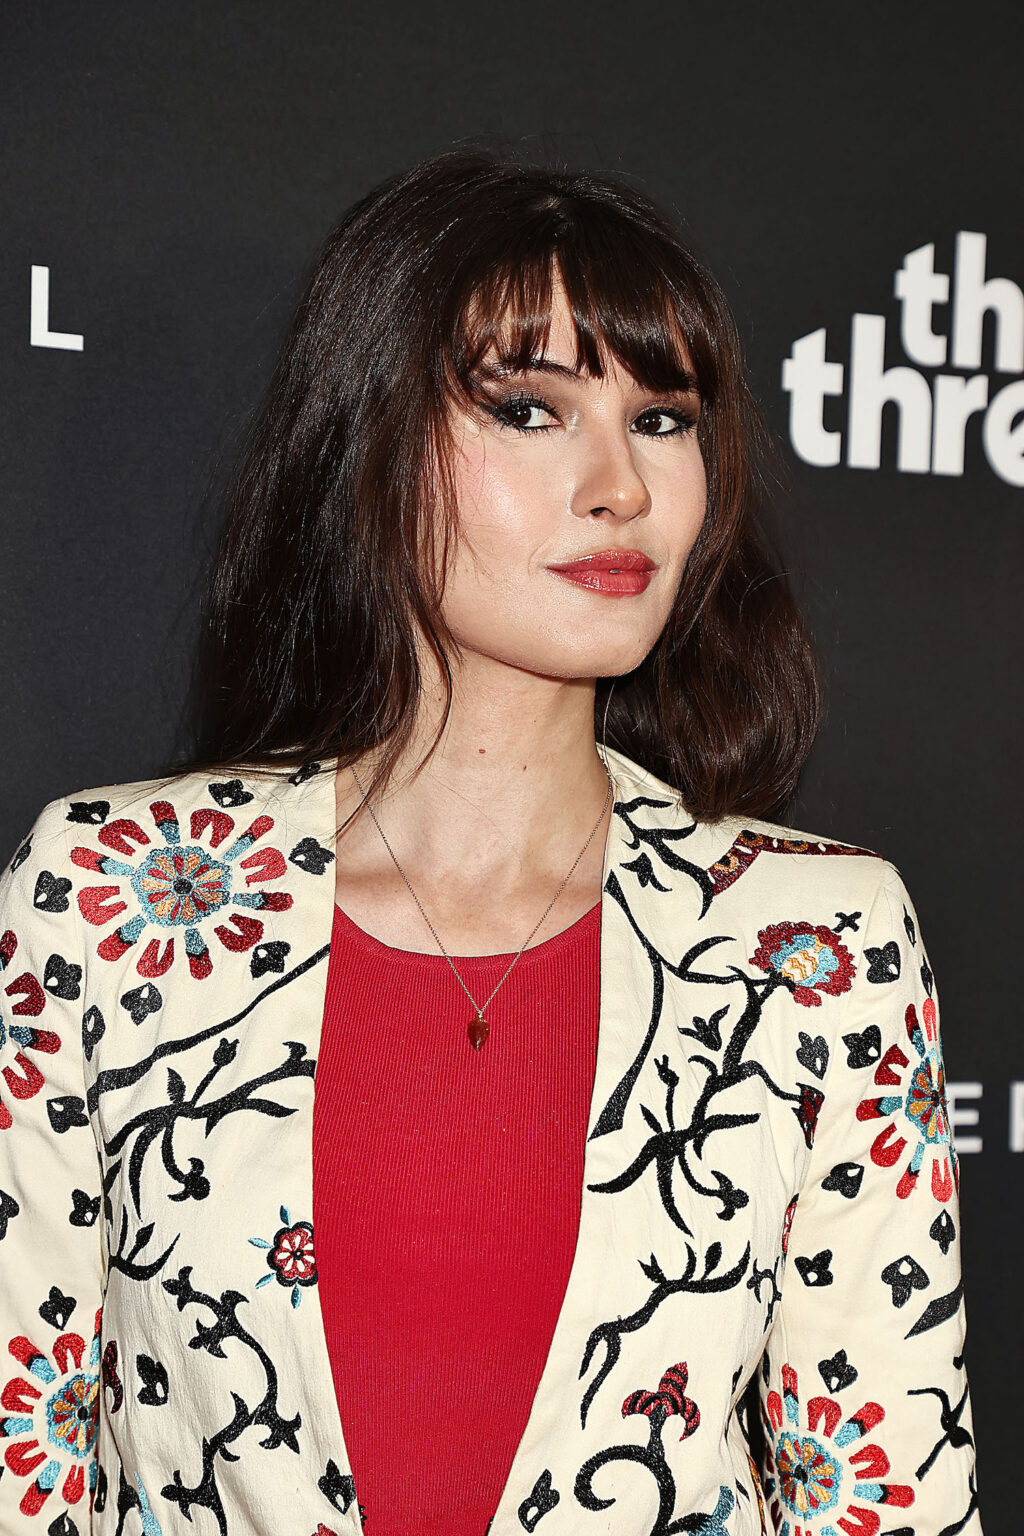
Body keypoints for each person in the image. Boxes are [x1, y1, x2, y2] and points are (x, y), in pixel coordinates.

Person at [0, 146, 981, 1536]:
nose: (620, 487)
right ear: (368, 443)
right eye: (528, 410)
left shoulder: (815, 943)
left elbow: (887, 1500)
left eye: (662, 420)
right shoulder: (108, 899)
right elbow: (18, 1454)